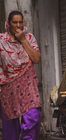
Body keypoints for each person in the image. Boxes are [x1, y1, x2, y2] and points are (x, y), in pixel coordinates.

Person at [0, 10, 41, 140]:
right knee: (10, 127)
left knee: (33, 116)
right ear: (8, 23)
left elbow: (36, 59)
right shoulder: (1, 40)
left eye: (20, 22)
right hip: (8, 87)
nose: (18, 25)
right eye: (15, 22)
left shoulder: (29, 38)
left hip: (28, 84)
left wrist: (23, 40)